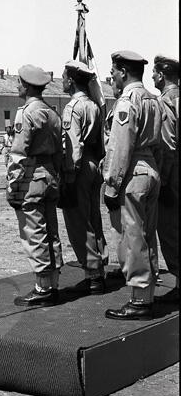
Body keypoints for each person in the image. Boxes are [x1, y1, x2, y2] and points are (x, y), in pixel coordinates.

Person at [103, 51, 161, 320]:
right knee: (148, 235)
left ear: (123, 72)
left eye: (114, 72)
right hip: (151, 169)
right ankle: (147, 293)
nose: (112, 77)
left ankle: (139, 301)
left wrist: (112, 185)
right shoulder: (153, 99)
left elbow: (120, 147)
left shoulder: (127, 101)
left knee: (134, 237)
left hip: (133, 172)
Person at [6, 65, 63, 306]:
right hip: (50, 174)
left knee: (35, 233)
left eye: (19, 82)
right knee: (51, 232)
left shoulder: (26, 113)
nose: (17, 86)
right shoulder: (52, 113)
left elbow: (19, 153)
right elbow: (60, 151)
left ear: (27, 86)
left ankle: (42, 288)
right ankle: (54, 283)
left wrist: (12, 185)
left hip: (31, 176)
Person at [60, 60, 107, 293]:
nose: (62, 81)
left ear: (71, 81)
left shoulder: (73, 107)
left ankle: (93, 274)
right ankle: (100, 265)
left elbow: (73, 146)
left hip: (79, 167)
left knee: (79, 222)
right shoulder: (94, 105)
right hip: (94, 164)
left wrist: (69, 176)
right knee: (93, 218)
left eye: (64, 77)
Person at [152, 55, 179, 302]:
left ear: (161, 75)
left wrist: (166, 183)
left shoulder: (165, 102)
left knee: (170, 230)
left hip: (173, 174)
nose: (152, 76)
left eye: (154, 73)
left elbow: (168, 146)